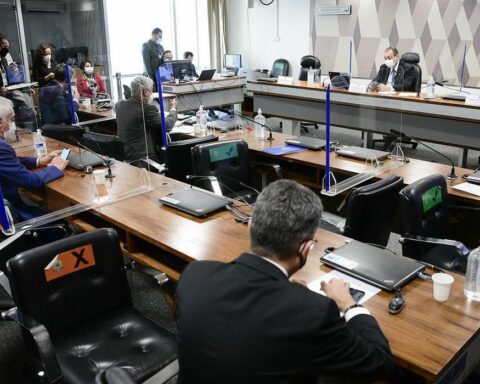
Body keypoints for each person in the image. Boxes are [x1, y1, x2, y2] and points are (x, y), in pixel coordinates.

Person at [176, 179, 397, 384]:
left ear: (251, 225)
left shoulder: (194, 274)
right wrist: (350, 305)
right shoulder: (314, 313)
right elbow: (380, 363)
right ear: (306, 248)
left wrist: (288, 294)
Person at [0, 96, 67, 221]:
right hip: (10, 216)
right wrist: (55, 167)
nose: (14, 124)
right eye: (11, 119)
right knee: (61, 221)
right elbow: (30, 181)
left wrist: (39, 161)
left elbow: (8, 161)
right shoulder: (1, 147)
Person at [116, 76, 177, 163]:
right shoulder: (147, 109)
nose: (152, 94)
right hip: (144, 159)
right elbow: (167, 125)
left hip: (125, 155)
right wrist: (173, 109)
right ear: (145, 92)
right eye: (151, 91)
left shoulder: (119, 105)